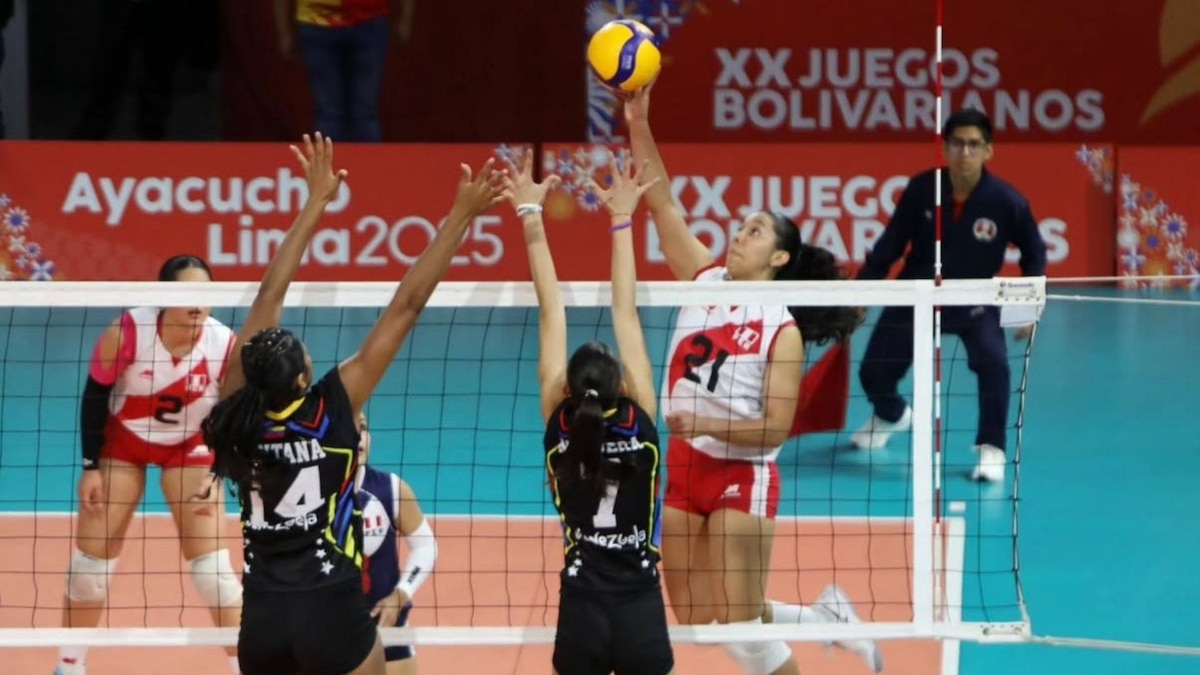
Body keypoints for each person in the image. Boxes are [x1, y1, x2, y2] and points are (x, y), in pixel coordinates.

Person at [199, 132, 506, 675]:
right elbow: (407, 306)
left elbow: (267, 296)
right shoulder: (330, 412)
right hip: (330, 605)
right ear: (301, 382)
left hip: (263, 615)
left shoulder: (234, 417)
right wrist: (460, 217)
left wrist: (311, 206)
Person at [624, 81, 883, 675]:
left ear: (779, 259)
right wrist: (639, 123)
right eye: (740, 228)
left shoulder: (781, 327)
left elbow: (771, 433)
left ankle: (823, 625)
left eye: (755, 233)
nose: (738, 237)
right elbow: (661, 202)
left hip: (743, 474)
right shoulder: (704, 279)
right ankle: (825, 621)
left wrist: (703, 420)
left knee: (742, 624)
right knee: (699, 623)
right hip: (685, 467)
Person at [507, 148, 673, 675]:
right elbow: (625, 308)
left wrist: (531, 214)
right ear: (623, 385)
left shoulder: (558, 421)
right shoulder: (641, 417)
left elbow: (550, 304)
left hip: (582, 603)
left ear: (566, 390)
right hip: (640, 602)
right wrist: (621, 217)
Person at [55, 254, 243, 675]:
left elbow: (235, 416)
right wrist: (89, 465)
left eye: (206, 294)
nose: (198, 305)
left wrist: (221, 471)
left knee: (215, 574)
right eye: (187, 294)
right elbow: (94, 398)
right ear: (163, 296)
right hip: (124, 443)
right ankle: (69, 667)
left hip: (191, 446)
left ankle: (245, 668)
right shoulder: (126, 333)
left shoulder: (224, 345)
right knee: (89, 569)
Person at [849, 108, 1047, 484]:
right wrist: (863, 289)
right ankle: (891, 413)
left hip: (974, 298)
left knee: (994, 365)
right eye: (957, 143)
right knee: (872, 372)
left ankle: (991, 448)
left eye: (974, 144)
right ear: (945, 146)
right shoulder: (923, 189)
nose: (965, 153)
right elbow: (891, 243)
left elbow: (1034, 251)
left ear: (989, 151)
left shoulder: (1007, 201)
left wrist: (1027, 304)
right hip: (917, 293)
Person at [355, 411, 438, 675]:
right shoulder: (313, 496)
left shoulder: (391, 489)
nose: (360, 437)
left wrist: (401, 593)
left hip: (387, 626)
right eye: (351, 428)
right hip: (330, 627)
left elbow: (426, 547)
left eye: (364, 428)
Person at [273, 0, 416, 142]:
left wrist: (284, 32)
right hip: (332, 22)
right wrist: (405, 20)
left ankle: (335, 164)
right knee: (360, 112)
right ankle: (367, 164)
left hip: (334, 21)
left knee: (333, 112)